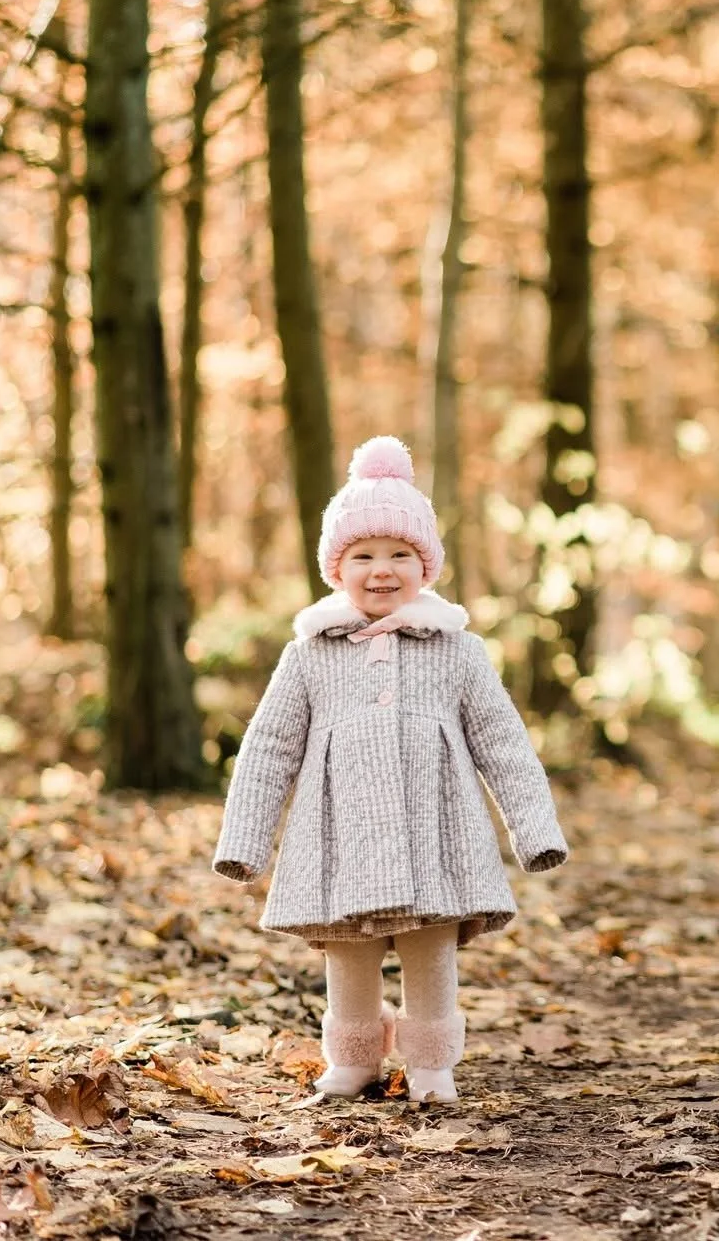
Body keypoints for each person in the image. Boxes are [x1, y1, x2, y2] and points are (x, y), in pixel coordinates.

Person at [213, 436, 569, 1103]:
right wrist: (244, 844)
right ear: (336, 567)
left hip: (437, 833)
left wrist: (534, 829)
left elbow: (503, 740)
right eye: (364, 555)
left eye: (400, 554)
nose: (383, 569)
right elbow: (268, 748)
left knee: (431, 949)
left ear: (426, 564)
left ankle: (432, 1064)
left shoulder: (458, 649)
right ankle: (353, 1061)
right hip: (339, 839)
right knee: (347, 954)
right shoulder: (309, 654)